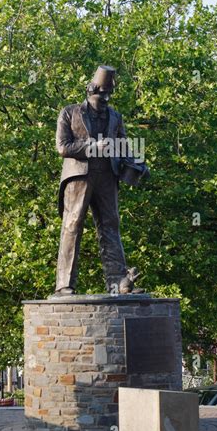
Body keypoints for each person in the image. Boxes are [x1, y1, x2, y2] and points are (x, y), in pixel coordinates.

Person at [55, 65, 148, 295]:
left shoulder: (115, 116)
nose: (104, 100)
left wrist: (137, 163)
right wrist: (92, 146)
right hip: (79, 177)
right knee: (72, 225)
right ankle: (64, 284)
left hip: (107, 176)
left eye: (107, 96)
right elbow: (62, 146)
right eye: (101, 96)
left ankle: (118, 284)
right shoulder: (70, 112)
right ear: (90, 91)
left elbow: (123, 146)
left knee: (110, 226)